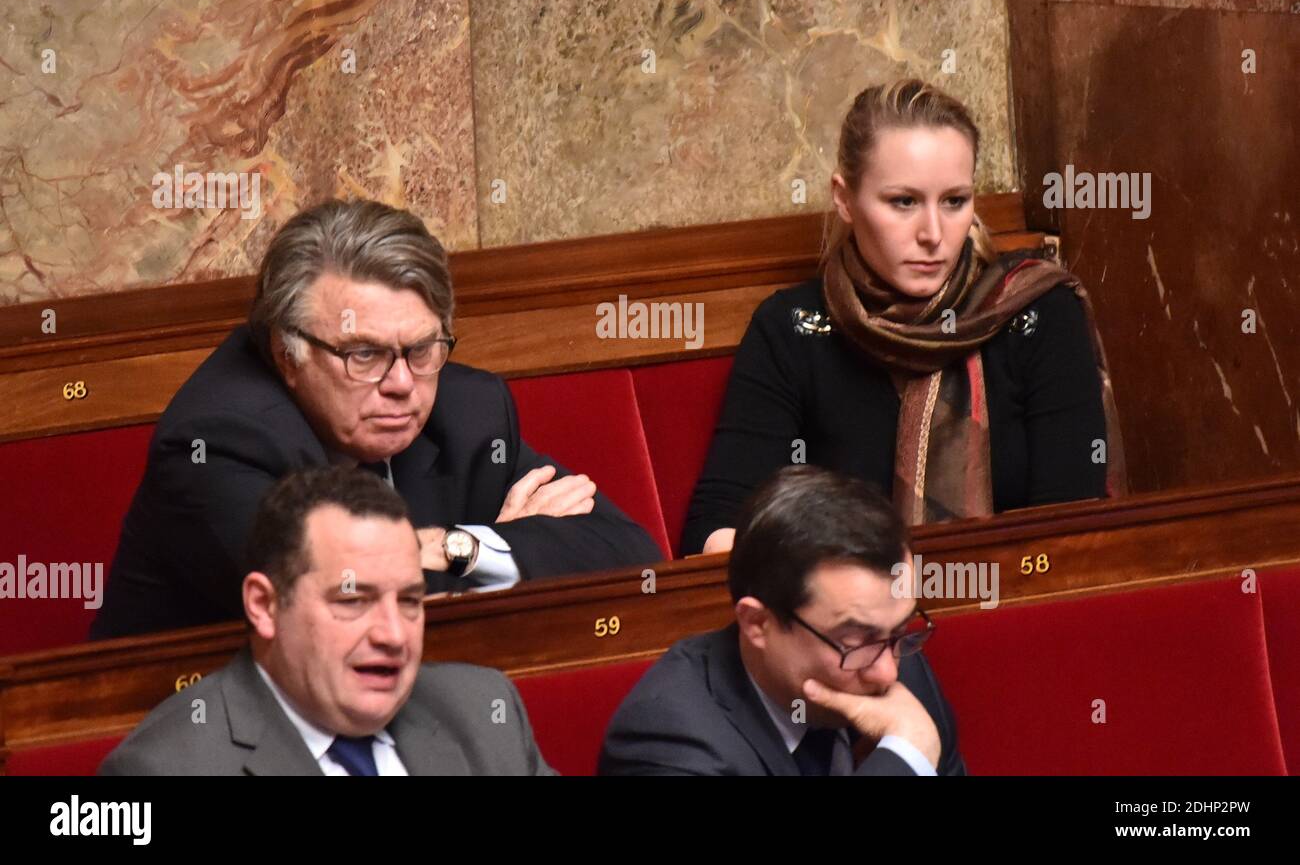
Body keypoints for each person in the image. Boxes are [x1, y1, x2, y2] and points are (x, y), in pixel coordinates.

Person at [92, 199, 661, 639]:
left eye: (422, 349)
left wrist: (458, 549)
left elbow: (627, 553)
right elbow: (334, 604)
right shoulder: (218, 440)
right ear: (287, 352)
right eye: (363, 355)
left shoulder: (469, 411)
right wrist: (497, 549)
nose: (401, 385)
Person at [683, 79, 1126, 555]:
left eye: (954, 201)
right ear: (845, 198)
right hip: (844, 623)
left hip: (1018, 607)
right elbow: (719, 523)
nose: (933, 234)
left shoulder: (1035, 311)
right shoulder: (793, 328)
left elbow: (1073, 527)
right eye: (903, 202)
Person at [100, 466, 554, 776]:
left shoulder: (482, 712)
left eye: (411, 601)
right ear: (264, 605)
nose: (394, 635)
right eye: (354, 601)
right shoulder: (168, 769)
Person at [600, 465, 965, 776]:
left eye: (901, 631)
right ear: (757, 623)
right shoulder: (667, 742)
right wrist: (903, 758)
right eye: (855, 640)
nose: (888, 673)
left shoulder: (895, 661)